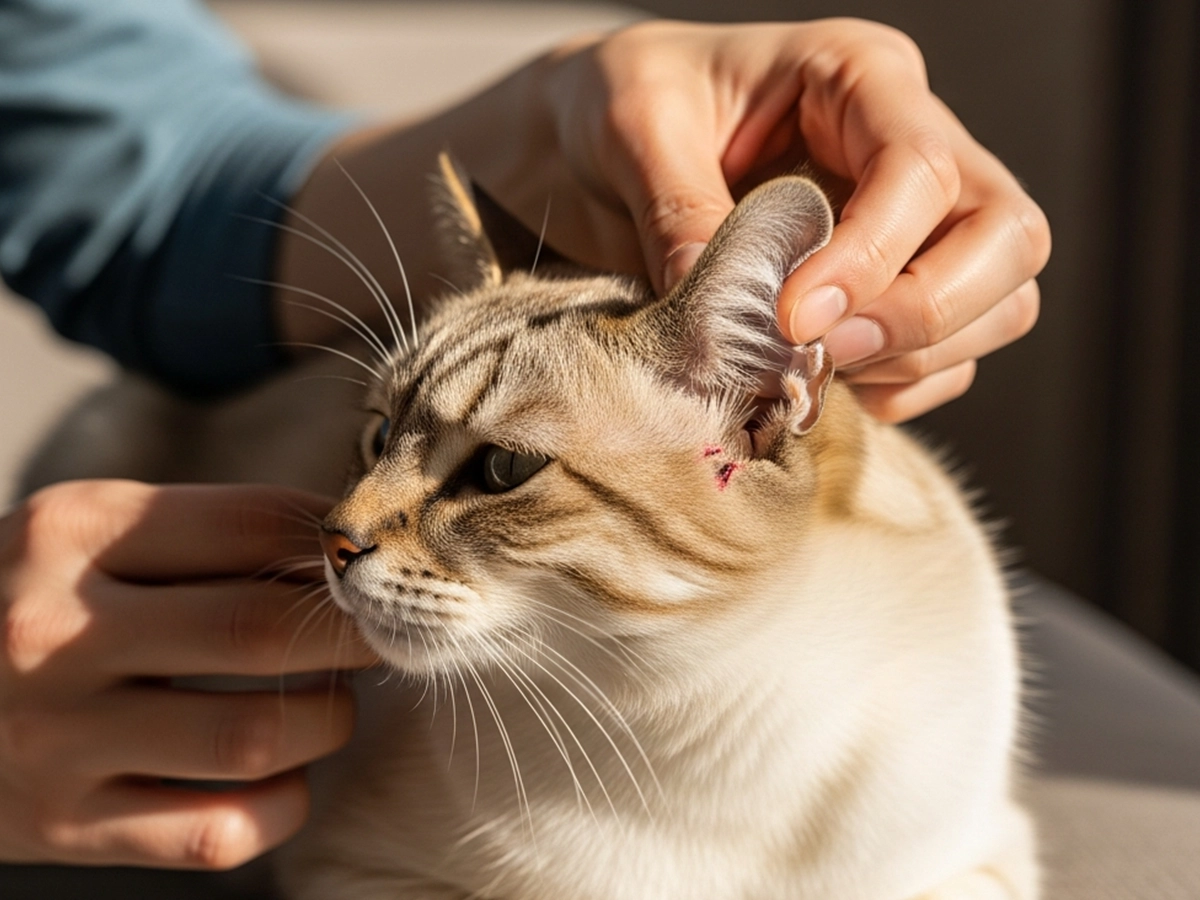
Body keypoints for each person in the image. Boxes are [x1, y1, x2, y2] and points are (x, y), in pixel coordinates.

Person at [0, 0, 1049, 871]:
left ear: (747, 422)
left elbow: (102, 129)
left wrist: (540, 123)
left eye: (500, 468)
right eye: (378, 449)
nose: (351, 525)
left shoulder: (939, 696)